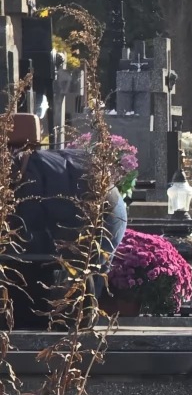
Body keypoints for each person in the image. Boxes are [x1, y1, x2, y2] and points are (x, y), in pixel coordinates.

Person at [6, 114, 128, 329]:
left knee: (75, 282)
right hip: (92, 193)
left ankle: (72, 322)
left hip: (97, 204)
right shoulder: (22, 174)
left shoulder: (27, 187)